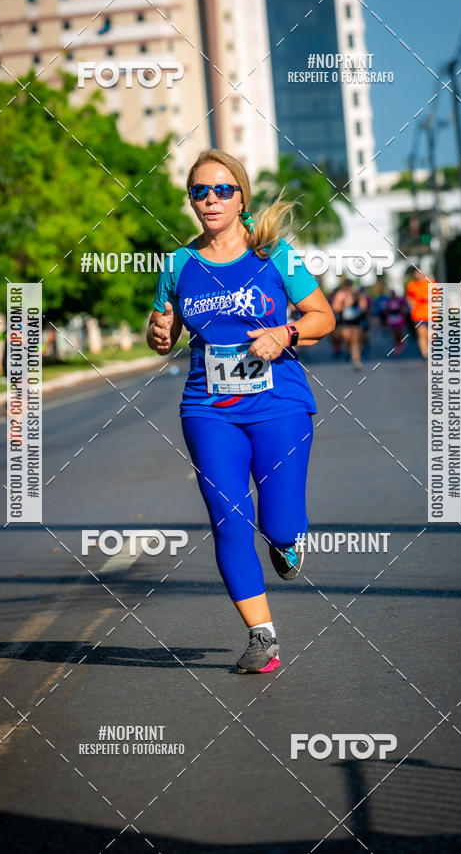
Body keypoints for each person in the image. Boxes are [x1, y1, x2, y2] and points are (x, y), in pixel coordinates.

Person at [146, 149, 335, 674]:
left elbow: (324, 316)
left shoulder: (276, 256)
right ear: (191, 200)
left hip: (280, 404)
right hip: (208, 407)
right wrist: (158, 332)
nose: (210, 199)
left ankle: (289, 538)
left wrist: (285, 333)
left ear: (241, 197)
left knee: (278, 522)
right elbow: (162, 330)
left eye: (222, 190)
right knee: (229, 519)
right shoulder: (178, 264)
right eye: (200, 191)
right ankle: (262, 637)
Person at [329, 278, 369, 370]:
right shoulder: (340, 295)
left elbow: (364, 307)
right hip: (344, 322)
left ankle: (356, 361)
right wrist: (344, 305)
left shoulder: (358, 295)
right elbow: (335, 308)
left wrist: (358, 308)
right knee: (348, 339)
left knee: (355, 341)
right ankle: (348, 351)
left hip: (356, 321)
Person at [405, 267, 435, 360]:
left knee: (431, 335)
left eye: (419, 273)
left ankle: (431, 351)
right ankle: (425, 354)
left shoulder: (431, 283)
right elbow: (408, 297)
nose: (418, 275)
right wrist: (411, 305)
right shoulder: (411, 285)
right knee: (421, 334)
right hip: (418, 314)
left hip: (431, 313)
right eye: (416, 273)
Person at [384, 289, 408, 355]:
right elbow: (386, 310)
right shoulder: (388, 301)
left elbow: (403, 309)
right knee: (393, 333)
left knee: (399, 332)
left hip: (398, 317)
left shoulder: (399, 300)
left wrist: (402, 314)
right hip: (392, 318)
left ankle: (401, 343)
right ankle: (396, 346)